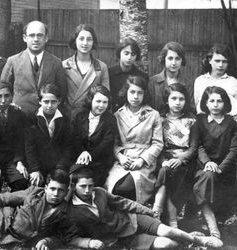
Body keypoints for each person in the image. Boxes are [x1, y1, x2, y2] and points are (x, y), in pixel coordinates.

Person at [68, 166, 223, 249]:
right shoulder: (70, 208)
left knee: (167, 230)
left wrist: (148, 211)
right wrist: (88, 243)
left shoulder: (100, 193)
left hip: (132, 219)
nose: (88, 190)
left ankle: (199, 241)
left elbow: (124, 203)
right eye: (83, 186)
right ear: (73, 186)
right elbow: (71, 237)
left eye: (90, 186)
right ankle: (187, 241)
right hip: (122, 238)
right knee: (166, 244)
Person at [105, 75, 163, 206]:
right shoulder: (117, 115)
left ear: (144, 94)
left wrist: (142, 160)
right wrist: (120, 157)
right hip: (124, 161)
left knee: (132, 187)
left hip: (143, 161)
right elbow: (113, 143)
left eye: (139, 93)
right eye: (132, 92)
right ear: (126, 93)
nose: (135, 96)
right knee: (114, 187)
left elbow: (158, 143)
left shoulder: (153, 114)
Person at [193, 86, 237, 248]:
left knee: (213, 178)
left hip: (224, 169)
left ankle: (212, 219)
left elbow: (234, 150)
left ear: (225, 103)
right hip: (202, 166)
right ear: (206, 103)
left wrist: (221, 167)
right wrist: (208, 163)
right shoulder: (200, 121)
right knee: (207, 176)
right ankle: (212, 225)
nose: (215, 104)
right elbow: (197, 146)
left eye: (219, 101)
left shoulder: (231, 123)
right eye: (211, 101)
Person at [0, 20, 66, 118]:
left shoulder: (56, 62)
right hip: (19, 117)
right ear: (24, 38)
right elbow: (3, 89)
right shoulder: (13, 61)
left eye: (40, 35)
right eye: (31, 35)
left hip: (46, 118)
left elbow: (62, 92)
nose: (36, 39)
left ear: (46, 38)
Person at [156, 84, 198, 227]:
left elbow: (194, 147)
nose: (177, 102)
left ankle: (165, 215)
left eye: (181, 99)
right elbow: (157, 144)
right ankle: (162, 213)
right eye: (173, 98)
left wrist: (181, 159)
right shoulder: (160, 119)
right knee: (165, 170)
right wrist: (162, 160)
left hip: (185, 160)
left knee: (173, 174)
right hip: (165, 158)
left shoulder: (191, 120)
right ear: (167, 100)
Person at [24, 84, 71, 187]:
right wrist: (35, 169)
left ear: (59, 101)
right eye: (46, 102)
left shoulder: (65, 119)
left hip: (58, 164)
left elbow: (67, 146)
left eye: (53, 102)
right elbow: (29, 147)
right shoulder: (32, 118)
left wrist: (60, 167)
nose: (49, 105)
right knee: (36, 184)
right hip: (39, 164)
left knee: (59, 181)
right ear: (40, 101)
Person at [71, 85, 117, 187]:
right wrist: (82, 152)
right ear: (90, 100)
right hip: (79, 158)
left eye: (105, 102)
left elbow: (106, 143)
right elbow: (75, 138)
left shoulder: (110, 120)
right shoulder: (80, 116)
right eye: (98, 101)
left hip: (99, 161)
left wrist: (89, 155)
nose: (101, 105)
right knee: (72, 178)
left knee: (90, 182)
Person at [62, 24, 110, 121]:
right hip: (69, 118)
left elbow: (105, 96)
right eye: (81, 39)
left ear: (93, 42)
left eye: (89, 39)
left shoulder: (101, 67)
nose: (85, 43)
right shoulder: (64, 65)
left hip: (92, 118)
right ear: (75, 41)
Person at [193, 44, 237, 123]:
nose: (220, 65)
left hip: (226, 129)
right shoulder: (200, 81)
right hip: (204, 127)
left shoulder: (234, 83)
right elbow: (198, 107)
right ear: (210, 60)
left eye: (224, 62)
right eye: (217, 61)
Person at [148, 41, 194, 114]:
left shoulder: (188, 84)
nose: (174, 63)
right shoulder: (153, 82)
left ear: (182, 60)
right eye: (170, 58)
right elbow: (148, 108)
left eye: (177, 58)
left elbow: (190, 109)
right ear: (164, 59)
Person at [109, 37, 148, 111]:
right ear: (119, 53)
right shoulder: (109, 74)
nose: (129, 57)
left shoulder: (142, 76)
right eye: (126, 53)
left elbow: (145, 101)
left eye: (133, 54)